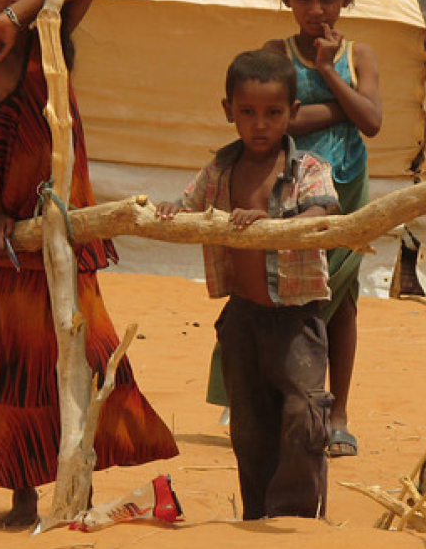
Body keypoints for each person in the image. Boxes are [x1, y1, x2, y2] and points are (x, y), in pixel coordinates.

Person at [0, 0, 177, 526]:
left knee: (89, 346)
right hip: (9, 215)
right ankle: (23, 487)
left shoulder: (48, 30)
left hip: (65, 212)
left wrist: (25, 12)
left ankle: (75, 468)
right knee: (19, 357)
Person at [157, 49, 340, 519]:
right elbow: (188, 206)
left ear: (293, 113)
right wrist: (171, 212)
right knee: (250, 427)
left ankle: (296, 518)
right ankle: (257, 517)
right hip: (242, 318)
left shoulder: (309, 168)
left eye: (273, 113)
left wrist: (275, 221)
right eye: (248, 112)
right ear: (229, 112)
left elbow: (324, 211)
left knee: (303, 414)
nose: (260, 124)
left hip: (295, 319)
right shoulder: (219, 169)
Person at [265, 0, 381, 458]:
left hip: (348, 191)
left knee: (342, 303)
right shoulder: (275, 54)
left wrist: (330, 72)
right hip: (290, 190)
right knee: (285, 296)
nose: (317, 9)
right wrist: (343, 105)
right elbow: (279, 118)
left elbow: (373, 122)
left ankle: (339, 412)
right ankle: (282, 399)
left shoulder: (361, 55)